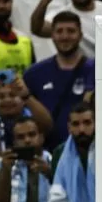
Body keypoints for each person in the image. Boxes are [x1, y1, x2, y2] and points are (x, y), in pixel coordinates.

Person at [23, 11, 94, 150]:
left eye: (71, 31)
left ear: (80, 35)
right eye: (59, 31)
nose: (65, 36)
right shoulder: (34, 74)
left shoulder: (96, 69)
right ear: (52, 35)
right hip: (46, 153)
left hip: (88, 150)